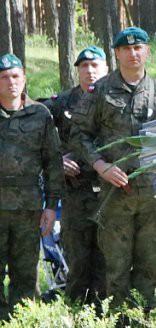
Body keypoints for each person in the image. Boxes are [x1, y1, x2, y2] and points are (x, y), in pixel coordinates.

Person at [70, 27, 156, 311]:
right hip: (115, 194)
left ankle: (143, 322)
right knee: (115, 264)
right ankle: (119, 324)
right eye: (126, 49)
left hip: (153, 195)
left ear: (147, 52)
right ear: (116, 53)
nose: (133, 53)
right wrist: (100, 165)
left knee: (150, 263)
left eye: (138, 48)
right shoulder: (101, 91)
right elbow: (79, 134)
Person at [0, 54, 63, 320]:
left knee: (26, 271)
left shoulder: (40, 114)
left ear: (24, 79)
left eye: (15, 76)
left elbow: (52, 164)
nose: (10, 82)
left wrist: (51, 206)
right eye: (3, 78)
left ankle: (21, 324)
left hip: (29, 208)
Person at [45, 46, 108, 304]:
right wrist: (57, 160)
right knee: (77, 256)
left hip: (109, 191)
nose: (90, 71)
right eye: (84, 66)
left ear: (106, 68)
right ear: (77, 71)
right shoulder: (61, 103)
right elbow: (39, 138)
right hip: (75, 193)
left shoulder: (115, 101)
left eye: (95, 66)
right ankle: (76, 312)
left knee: (107, 257)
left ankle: (105, 314)